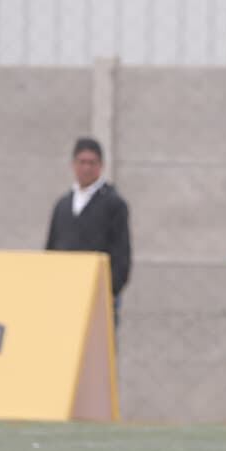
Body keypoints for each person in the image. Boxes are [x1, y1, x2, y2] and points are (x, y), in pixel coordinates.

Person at [44, 137, 132, 326]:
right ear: (73, 165)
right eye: (82, 162)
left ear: (101, 166)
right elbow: (51, 247)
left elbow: (122, 253)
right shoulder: (63, 205)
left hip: (98, 295)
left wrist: (109, 290)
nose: (86, 168)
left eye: (92, 163)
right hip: (64, 294)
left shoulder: (114, 204)